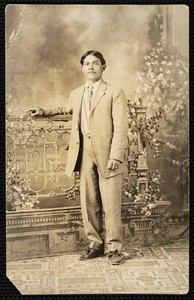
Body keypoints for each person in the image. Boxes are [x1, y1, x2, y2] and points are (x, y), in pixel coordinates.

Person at [29, 50, 128, 265]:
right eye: (87, 64)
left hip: (108, 154)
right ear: (82, 68)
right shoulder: (76, 93)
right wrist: (43, 111)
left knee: (111, 205)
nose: (91, 67)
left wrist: (116, 156)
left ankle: (114, 249)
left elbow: (121, 128)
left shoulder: (114, 92)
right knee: (89, 203)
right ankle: (95, 245)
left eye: (95, 63)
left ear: (104, 66)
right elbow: (66, 110)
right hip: (84, 153)